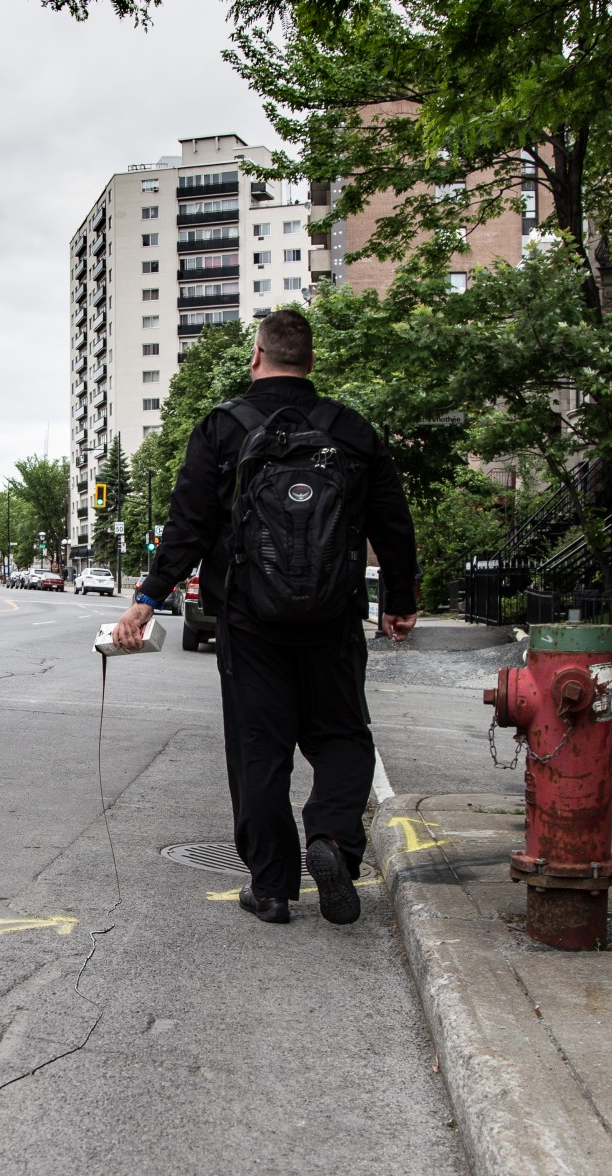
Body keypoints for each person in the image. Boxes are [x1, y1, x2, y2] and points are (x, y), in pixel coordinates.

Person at [112, 310, 418, 926]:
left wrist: (148, 598)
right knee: (342, 736)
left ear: (257, 357)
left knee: (260, 752)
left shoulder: (223, 428)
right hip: (332, 619)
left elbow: (187, 527)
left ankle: (274, 888)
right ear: (311, 361)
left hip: (250, 622)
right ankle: (332, 839)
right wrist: (401, 601)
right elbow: (392, 523)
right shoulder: (352, 431)